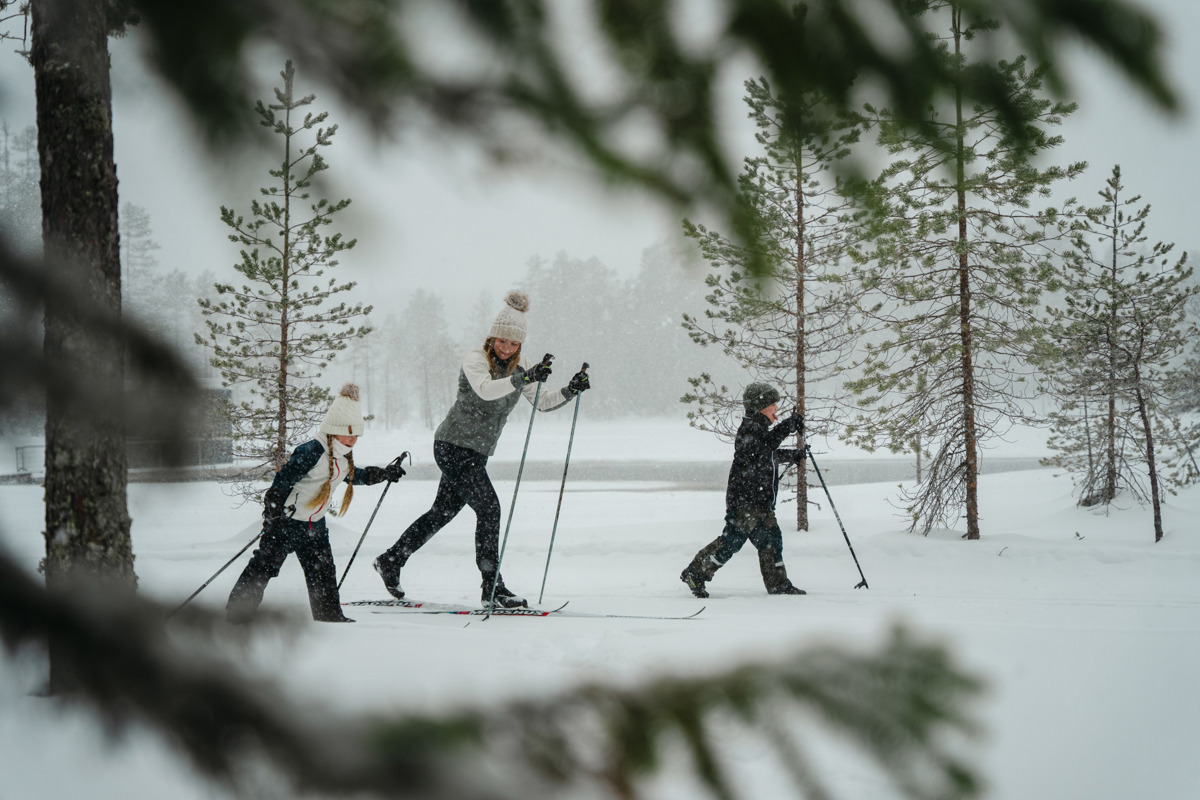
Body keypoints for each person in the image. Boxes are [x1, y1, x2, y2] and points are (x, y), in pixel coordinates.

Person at [373, 290, 591, 608]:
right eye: (502, 341)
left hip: (475, 453)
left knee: (441, 513)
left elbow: (542, 402)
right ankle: (493, 587)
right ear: (492, 337)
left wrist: (570, 390)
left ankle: (391, 560)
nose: (506, 348)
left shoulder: (523, 366)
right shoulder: (475, 359)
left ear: (521, 345)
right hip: (451, 446)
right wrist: (525, 377)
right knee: (489, 509)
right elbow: (487, 390)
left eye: (514, 344)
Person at [226, 383, 407, 623]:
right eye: (349, 433)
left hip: (315, 527)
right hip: (287, 523)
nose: (353, 440)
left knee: (322, 572)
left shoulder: (341, 456)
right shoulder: (312, 451)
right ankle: (237, 615)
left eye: (356, 435)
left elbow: (355, 476)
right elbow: (280, 485)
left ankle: (329, 617)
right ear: (334, 429)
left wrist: (384, 474)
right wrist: (273, 518)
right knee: (263, 568)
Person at [680, 382, 807, 598]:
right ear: (761, 406)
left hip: (757, 502)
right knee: (736, 542)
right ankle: (696, 573)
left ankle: (777, 584)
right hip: (746, 502)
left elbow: (764, 455)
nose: (776, 408)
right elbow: (762, 450)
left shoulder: (758, 430)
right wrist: (787, 427)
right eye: (773, 404)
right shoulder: (750, 429)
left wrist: (791, 455)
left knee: (766, 540)